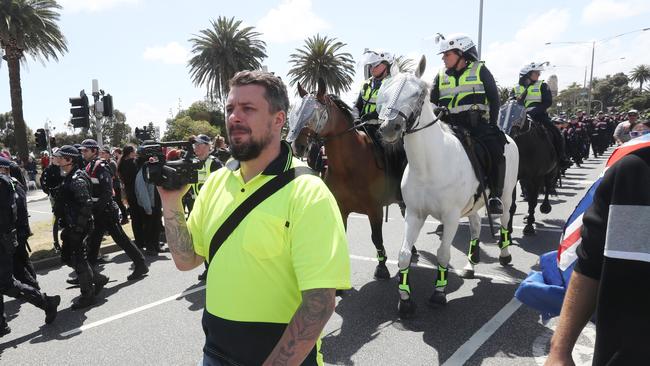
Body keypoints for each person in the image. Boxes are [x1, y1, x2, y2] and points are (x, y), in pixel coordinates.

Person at [158, 70, 351, 365]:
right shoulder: (216, 182)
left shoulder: (308, 192)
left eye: (248, 109)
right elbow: (186, 260)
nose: (235, 117)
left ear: (278, 119)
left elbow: (319, 303)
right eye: (230, 109)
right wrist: (170, 202)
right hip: (214, 355)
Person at [545, 143, 650, 365]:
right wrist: (559, 350)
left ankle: (559, 157)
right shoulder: (633, 171)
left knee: (541, 135)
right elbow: (590, 264)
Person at [430, 33, 507, 214]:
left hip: (476, 125)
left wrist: (493, 124)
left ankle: (495, 195)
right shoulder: (440, 75)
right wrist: (436, 111)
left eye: (447, 54)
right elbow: (432, 101)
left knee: (496, 150)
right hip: (448, 126)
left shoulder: (480, 70)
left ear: (461, 54)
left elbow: (494, 100)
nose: (443, 58)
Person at [1, 157, 60, 333]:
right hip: (6, 238)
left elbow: (8, 215)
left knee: (7, 283)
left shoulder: (4, 183)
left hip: (3, 240)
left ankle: (46, 302)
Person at [79, 139, 148, 280]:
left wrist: (96, 209)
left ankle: (140, 264)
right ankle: (87, 272)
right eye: (82, 150)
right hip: (99, 211)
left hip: (105, 211)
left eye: (86, 150)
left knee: (121, 239)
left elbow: (107, 192)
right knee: (93, 242)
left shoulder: (100, 166)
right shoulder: (89, 166)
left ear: (94, 151)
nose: (83, 153)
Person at [53, 146, 110, 309]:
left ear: (70, 160)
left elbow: (86, 205)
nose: (58, 160)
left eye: (61, 158)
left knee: (79, 260)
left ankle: (88, 295)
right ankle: (98, 279)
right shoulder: (69, 176)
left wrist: (78, 229)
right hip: (72, 225)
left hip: (79, 226)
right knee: (69, 258)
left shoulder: (77, 179)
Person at [514, 62, 570, 169]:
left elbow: (547, 102)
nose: (539, 75)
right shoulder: (516, 88)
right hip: (519, 118)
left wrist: (533, 112)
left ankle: (562, 158)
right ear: (528, 74)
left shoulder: (543, 85)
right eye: (536, 73)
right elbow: (511, 102)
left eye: (539, 73)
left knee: (556, 132)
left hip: (539, 116)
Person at [185, 134, 223, 281]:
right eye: (195, 145)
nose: (197, 147)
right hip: (196, 207)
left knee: (211, 240)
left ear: (208, 147)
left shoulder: (214, 163)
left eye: (200, 144)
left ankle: (213, 268)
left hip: (212, 208)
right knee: (200, 240)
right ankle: (208, 267)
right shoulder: (193, 162)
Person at [354, 49, 395, 143]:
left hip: (384, 130)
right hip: (363, 127)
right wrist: (356, 118)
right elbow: (357, 106)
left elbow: (389, 108)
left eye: (376, 65)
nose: (372, 68)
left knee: (394, 153)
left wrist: (370, 116)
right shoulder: (366, 84)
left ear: (387, 65)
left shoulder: (393, 84)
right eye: (370, 65)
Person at [118, 144, 145, 249]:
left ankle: (139, 241)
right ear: (130, 153)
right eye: (134, 151)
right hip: (136, 192)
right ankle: (142, 241)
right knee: (141, 217)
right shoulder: (132, 163)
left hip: (129, 193)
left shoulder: (121, 163)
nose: (136, 153)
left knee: (135, 218)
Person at [40, 148, 63, 250]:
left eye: (58, 157)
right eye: (54, 157)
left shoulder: (64, 168)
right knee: (56, 219)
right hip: (55, 198)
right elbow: (44, 185)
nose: (56, 159)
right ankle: (56, 242)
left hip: (67, 197)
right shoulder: (48, 170)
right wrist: (51, 192)